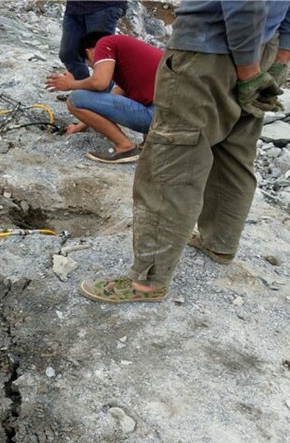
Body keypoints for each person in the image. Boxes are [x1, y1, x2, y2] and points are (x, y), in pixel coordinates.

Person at [78, 0, 290, 304]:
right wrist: (280, 56)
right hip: (263, 47)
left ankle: (147, 282)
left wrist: (247, 70)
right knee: (233, 149)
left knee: (171, 161)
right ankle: (220, 243)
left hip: (210, 52)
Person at [46, 32, 163, 164]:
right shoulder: (131, 58)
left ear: (90, 53)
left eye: (90, 64)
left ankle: (125, 147)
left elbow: (99, 83)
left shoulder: (105, 43)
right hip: (173, 119)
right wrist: (79, 127)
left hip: (156, 116)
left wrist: (70, 84)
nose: (93, 67)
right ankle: (149, 144)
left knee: (76, 99)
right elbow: (109, 101)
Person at [59, 1, 128, 81]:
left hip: (104, 7)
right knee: (68, 54)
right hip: (74, 8)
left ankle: (105, 91)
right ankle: (85, 88)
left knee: (103, 56)